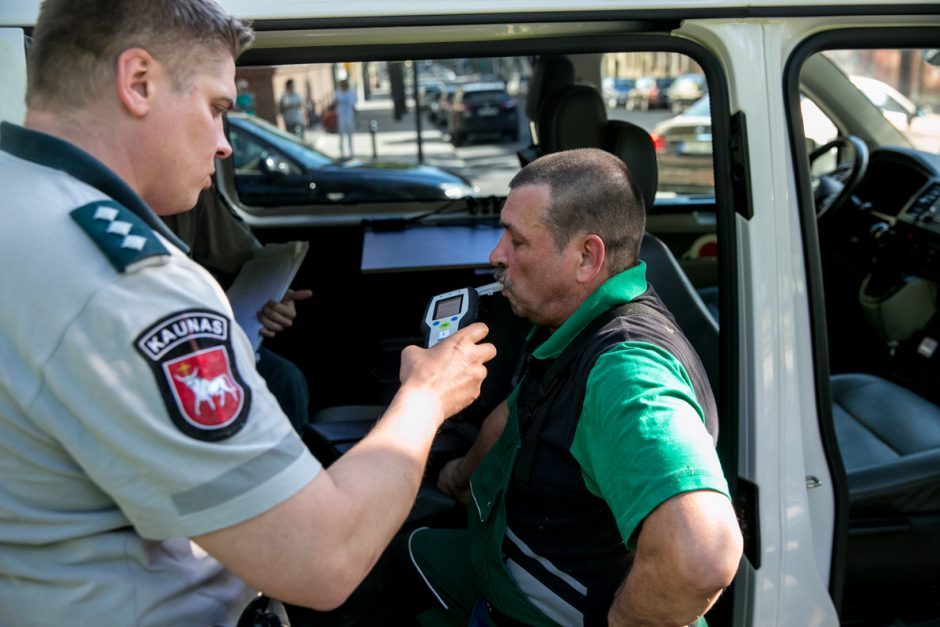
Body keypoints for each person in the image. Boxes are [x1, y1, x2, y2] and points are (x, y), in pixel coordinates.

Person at [0, 2, 496, 626]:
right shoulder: (134, 289)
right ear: (139, 82)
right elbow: (323, 559)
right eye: (216, 107)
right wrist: (426, 397)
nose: (225, 143)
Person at [342, 148, 742, 626]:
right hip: (505, 556)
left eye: (516, 240)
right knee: (398, 558)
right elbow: (513, 417)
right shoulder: (573, 322)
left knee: (354, 582)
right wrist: (459, 477)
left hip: (540, 609)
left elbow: (701, 555)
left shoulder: (627, 374)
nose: (496, 255)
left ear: (586, 258)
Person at [162, 187, 314, 433]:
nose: (223, 150)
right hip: (165, 344)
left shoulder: (196, 191)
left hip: (206, 334)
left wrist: (275, 295)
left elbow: (248, 259)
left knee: (285, 378)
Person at [335, 78, 357, 159]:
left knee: (350, 134)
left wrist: (357, 117)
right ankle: (341, 152)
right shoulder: (338, 93)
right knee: (341, 134)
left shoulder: (350, 93)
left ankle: (351, 152)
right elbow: (336, 103)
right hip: (341, 116)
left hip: (349, 115)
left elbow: (353, 105)